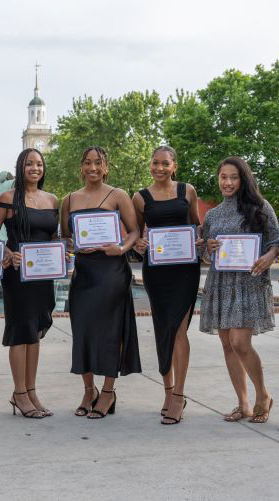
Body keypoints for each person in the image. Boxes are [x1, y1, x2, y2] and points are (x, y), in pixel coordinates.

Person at [61, 146, 141, 419]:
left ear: (106, 167)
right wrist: (73, 248)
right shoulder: (69, 199)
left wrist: (121, 248)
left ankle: (108, 391)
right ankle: (88, 390)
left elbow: (134, 231)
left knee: (110, 332)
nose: (93, 167)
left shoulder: (117, 195)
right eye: (87, 163)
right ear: (81, 167)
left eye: (99, 163)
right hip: (84, 272)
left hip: (112, 270)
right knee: (82, 329)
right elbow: (65, 237)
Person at [200, 157, 279, 424]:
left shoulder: (260, 207)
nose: (228, 182)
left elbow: (276, 242)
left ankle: (263, 395)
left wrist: (270, 257)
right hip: (222, 284)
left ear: (243, 179)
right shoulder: (212, 214)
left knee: (240, 342)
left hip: (250, 283)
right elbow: (206, 256)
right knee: (226, 344)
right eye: (223, 177)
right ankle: (243, 404)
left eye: (233, 177)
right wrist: (208, 249)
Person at [132, 146, 201, 425]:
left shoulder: (188, 191)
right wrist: (138, 243)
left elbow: (196, 225)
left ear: (175, 165)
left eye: (165, 163)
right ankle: (168, 392)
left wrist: (199, 239)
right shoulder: (140, 197)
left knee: (179, 329)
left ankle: (179, 396)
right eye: (154, 163)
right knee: (163, 329)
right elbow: (136, 233)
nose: (159, 168)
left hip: (185, 269)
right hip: (157, 270)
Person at [0, 148, 59, 419]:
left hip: (43, 275)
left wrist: (61, 250)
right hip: (18, 275)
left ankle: (30, 391)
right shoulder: (7, 198)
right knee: (21, 333)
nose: (35, 167)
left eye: (39, 163)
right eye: (29, 163)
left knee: (36, 333)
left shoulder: (53, 199)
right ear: (20, 167)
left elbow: (54, 237)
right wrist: (7, 254)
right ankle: (19, 393)